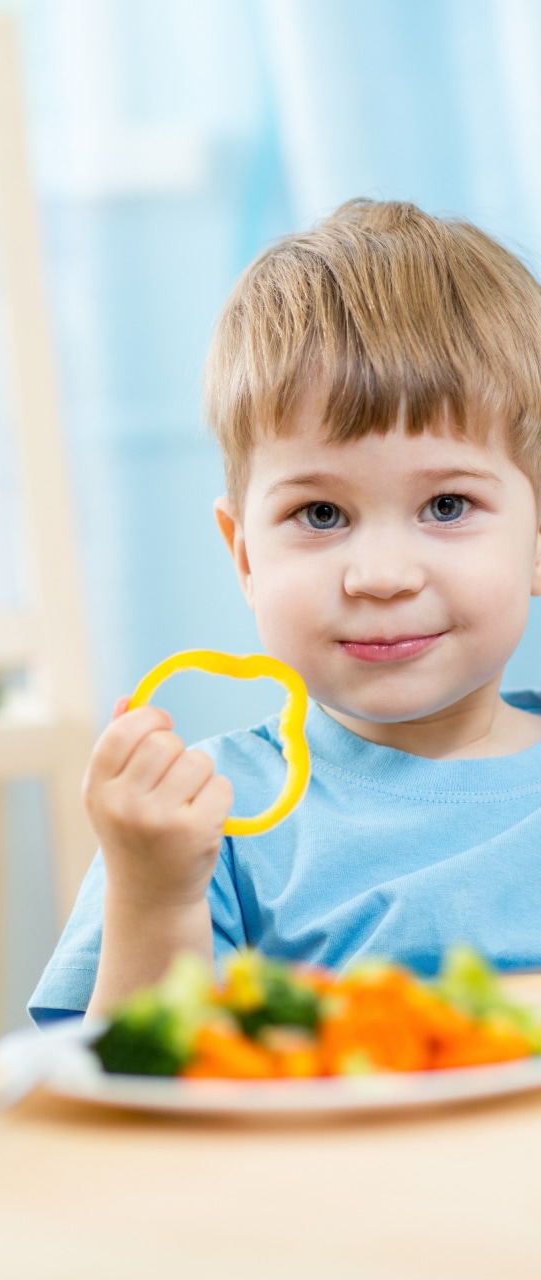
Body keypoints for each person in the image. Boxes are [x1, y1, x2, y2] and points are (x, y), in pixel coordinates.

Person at [31, 198, 541, 1025]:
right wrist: (156, 895)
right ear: (243, 556)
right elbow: (128, 1081)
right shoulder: (204, 821)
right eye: (321, 514)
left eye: (446, 506)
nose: (380, 576)